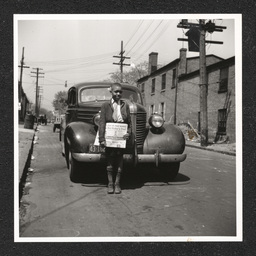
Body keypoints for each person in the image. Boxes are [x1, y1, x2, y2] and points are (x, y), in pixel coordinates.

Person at [98, 83, 131, 194]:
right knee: (110, 161)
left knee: (120, 161)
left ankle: (117, 184)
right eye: (116, 91)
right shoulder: (105, 106)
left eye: (120, 92)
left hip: (121, 139)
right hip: (109, 137)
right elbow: (102, 122)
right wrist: (102, 139)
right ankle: (110, 184)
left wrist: (128, 133)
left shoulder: (125, 105)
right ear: (111, 92)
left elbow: (129, 123)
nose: (118, 93)